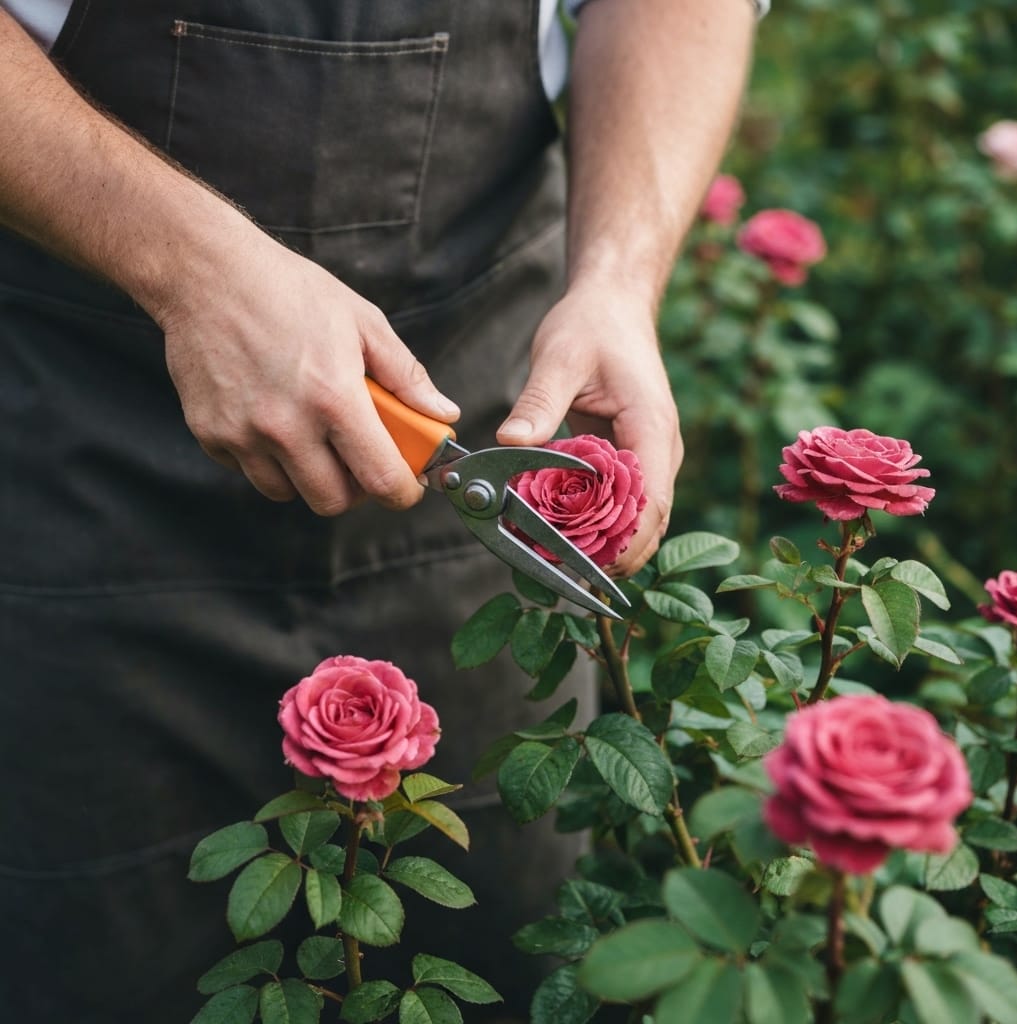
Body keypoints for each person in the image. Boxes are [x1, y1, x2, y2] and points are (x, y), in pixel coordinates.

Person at [0, 1, 762, 1020]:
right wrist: (188, 266)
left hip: (481, 393)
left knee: (495, 932)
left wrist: (620, 280)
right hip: (73, 427)